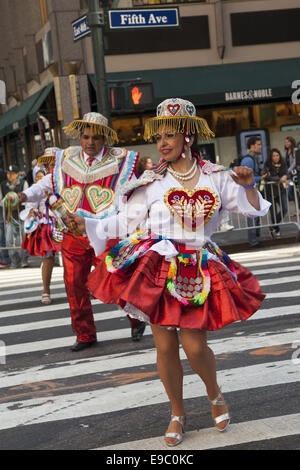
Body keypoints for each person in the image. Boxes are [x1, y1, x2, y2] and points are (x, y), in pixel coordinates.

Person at [68, 98, 271, 446]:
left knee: (194, 346)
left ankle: (214, 393)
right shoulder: (151, 181)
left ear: (187, 138)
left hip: (197, 267)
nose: (161, 143)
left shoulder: (216, 177)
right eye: (158, 136)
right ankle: (177, 412)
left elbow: (252, 211)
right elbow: (125, 221)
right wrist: (87, 221)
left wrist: (249, 185)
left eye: (169, 136)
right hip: (157, 264)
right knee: (164, 346)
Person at [18, 112, 145, 351]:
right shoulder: (65, 159)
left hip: (105, 231)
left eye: (95, 138)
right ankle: (85, 334)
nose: (89, 142)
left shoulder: (121, 162)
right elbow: (45, 185)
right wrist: (24, 195)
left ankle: (136, 319)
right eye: (85, 137)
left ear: (105, 138)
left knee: (115, 277)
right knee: (74, 284)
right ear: (79, 137)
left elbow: (135, 192)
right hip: (73, 233)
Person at [20, 148, 63, 304]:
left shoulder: (67, 181)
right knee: (48, 257)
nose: (51, 168)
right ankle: (46, 290)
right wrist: (34, 211)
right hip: (49, 224)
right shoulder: (42, 183)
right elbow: (31, 201)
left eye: (54, 164)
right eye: (48, 166)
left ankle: (81, 287)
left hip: (68, 223)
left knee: (74, 257)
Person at [240, 137, 269, 247]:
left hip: (252, 192)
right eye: (258, 144)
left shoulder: (253, 158)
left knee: (255, 214)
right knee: (252, 215)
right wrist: (260, 178)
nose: (260, 146)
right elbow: (245, 177)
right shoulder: (248, 160)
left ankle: (255, 238)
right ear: (252, 146)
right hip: (249, 192)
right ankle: (253, 240)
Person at [0, 165, 29, 268]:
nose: (10, 176)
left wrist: (18, 200)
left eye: (12, 174)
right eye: (8, 173)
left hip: (21, 215)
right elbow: (1, 200)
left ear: (17, 174)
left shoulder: (23, 183)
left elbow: (27, 198)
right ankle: (14, 260)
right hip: (9, 217)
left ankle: (24, 259)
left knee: (23, 237)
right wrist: (7, 200)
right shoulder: (3, 185)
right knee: (9, 239)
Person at [263, 148, 288, 239]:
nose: (276, 157)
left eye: (277, 155)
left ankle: (272, 226)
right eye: (274, 155)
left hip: (280, 190)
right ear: (271, 157)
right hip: (270, 191)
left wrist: (285, 176)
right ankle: (277, 230)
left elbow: (286, 173)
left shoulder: (283, 164)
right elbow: (267, 177)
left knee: (285, 208)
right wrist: (279, 179)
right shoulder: (267, 165)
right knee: (273, 212)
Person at [284, 136, 300, 209]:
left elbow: (294, 163)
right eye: (285, 142)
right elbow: (285, 163)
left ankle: (298, 209)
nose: (286, 143)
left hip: (296, 174)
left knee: (297, 191)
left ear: (291, 142)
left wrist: (287, 171)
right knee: (290, 191)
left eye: (288, 142)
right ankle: (298, 208)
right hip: (290, 175)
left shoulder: (296, 150)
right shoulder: (286, 152)